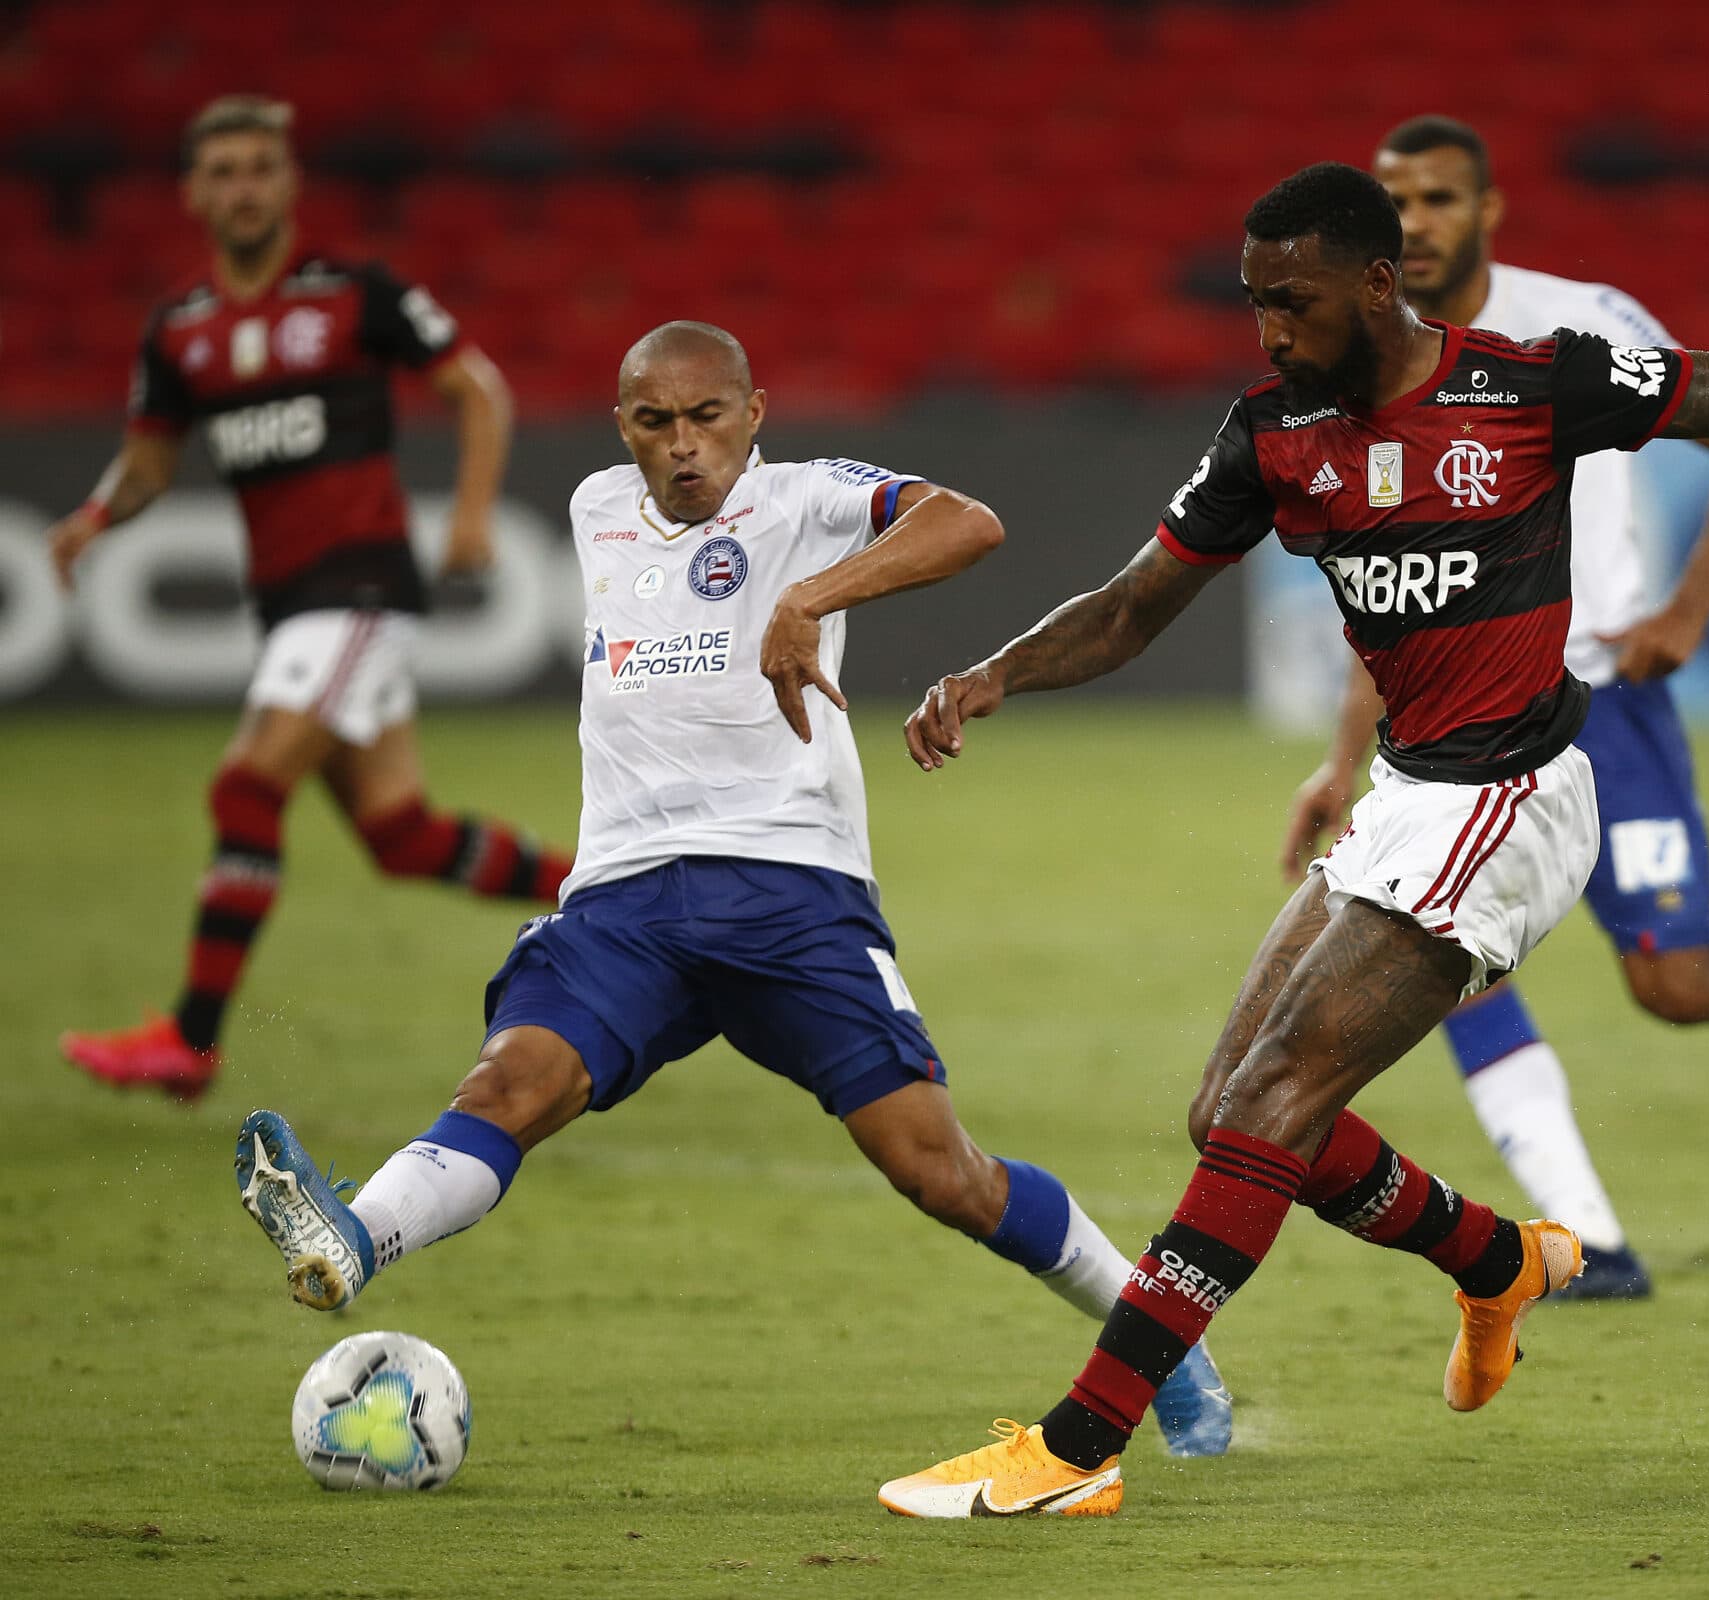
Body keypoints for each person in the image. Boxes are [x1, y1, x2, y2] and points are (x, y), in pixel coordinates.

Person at [878, 162, 1709, 1518]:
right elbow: (1130, 608)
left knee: (1269, 1108)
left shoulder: (1527, 386)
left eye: (1292, 303)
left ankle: (1076, 1446)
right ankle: (1498, 1262)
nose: (1270, 332)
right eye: (1253, 303)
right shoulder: (1274, 433)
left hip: (1516, 796)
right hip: (1410, 796)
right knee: (1230, 1114)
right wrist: (994, 673)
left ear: (1374, 284)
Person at [230, 321, 1234, 1458]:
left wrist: (811, 598)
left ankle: (1158, 1341)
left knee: (940, 1171)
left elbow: (969, 522)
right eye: (655, 422)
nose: (683, 445)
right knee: (511, 1082)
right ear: (623, 427)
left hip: (786, 888)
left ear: (753, 414)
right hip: (625, 897)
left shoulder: (807, 498)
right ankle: (353, 1240)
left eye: (707, 417)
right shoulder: (596, 507)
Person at [1279, 116, 1709, 1302]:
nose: (1419, 222)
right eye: (1398, 202)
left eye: (1441, 197)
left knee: (1678, 985)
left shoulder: (1577, 323)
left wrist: (1690, 608)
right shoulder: (1372, 370)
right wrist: (1342, 764)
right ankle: (1591, 1241)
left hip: (1603, 706)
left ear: (1487, 211)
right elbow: (1392, 593)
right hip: (1455, 726)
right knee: (1432, 956)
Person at [50, 95, 568, 1100]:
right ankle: (605, 887)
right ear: (193, 194)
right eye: (224, 171)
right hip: (292, 605)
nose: (243, 187)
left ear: (290, 183)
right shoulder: (181, 332)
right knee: (401, 834)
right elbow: (148, 464)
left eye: (260, 167)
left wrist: (470, 516)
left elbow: (478, 389)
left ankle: (192, 1040)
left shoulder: (354, 295)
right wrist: (94, 517)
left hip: (360, 588)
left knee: (246, 788)